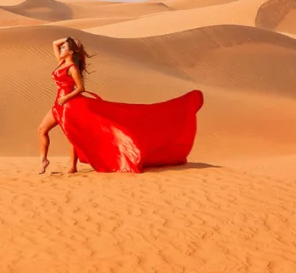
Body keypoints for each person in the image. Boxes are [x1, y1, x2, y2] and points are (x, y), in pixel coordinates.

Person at [37, 36, 203, 175]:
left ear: (71, 52)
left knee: (73, 135)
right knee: (42, 130)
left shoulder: (72, 68)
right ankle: (44, 159)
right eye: (62, 48)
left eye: (64, 47)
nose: (61, 49)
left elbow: (81, 88)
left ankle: (72, 167)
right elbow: (54, 43)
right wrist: (68, 40)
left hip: (69, 105)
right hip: (57, 104)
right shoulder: (60, 62)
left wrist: (67, 98)